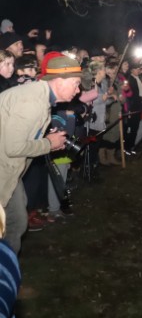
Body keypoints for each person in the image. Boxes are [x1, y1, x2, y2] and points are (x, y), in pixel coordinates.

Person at [0, 54, 82, 252]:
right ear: (60, 80)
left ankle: (7, 272)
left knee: (18, 221)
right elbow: (13, 147)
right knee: (14, 223)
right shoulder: (32, 101)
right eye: (76, 84)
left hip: (10, 169)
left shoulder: (41, 97)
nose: (78, 90)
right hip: (4, 166)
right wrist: (48, 144)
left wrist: (48, 139)